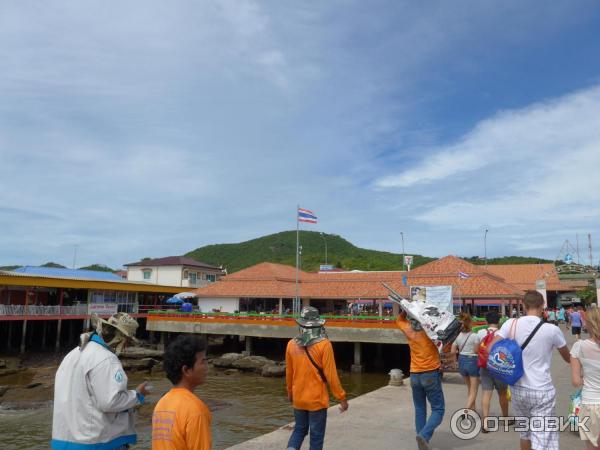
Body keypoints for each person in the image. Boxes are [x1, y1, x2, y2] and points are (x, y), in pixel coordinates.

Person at [52, 313, 149, 450]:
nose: (126, 346)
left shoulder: (72, 355)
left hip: (64, 440)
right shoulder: (107, 359)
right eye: (127, 342)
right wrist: (137, 395)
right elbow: (110, 401)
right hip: (96, 442)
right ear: (121, 337)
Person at [491, 291, 570, 450]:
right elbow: (568, 357)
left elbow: (492, 346)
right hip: (541, 389)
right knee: (543, 437)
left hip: (517, 388)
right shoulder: (551, 329)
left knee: (525, 433)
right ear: (542, 306)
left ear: (524, 306)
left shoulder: (511, 324)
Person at [285, 306, 348, 450]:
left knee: (299, 430)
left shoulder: (291, 344)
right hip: (316, 401)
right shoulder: (324, 345)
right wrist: (342, 398)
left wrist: (290, 393)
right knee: (316, 437)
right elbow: (332, 376)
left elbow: (289, 374)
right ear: (318, 324)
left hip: (299, 398)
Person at [152, 334, 211, 450]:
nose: (207, 367)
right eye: (203, 361)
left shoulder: (161, 404)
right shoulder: (196, 410)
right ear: (186, 370)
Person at [397, 310, 444, 450]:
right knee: (438, 409)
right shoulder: (432, 332)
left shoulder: (407, 329)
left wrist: (407, 308)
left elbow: (399, 319)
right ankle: (424, 435)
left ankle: (421, 444)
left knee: (419, 409)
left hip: (415, 374)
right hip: (430, 373)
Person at [476, 311, 511, 432]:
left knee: (486, 393)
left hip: (485, 367)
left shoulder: (480, 333)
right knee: (502, 393)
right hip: (499, 368)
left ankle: (485, 423)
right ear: (499, 321)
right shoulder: (503, 334)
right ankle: (505, 419)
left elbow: (477, 349)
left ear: (486, 321)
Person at [571, 307, 600, 450]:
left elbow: (576, 382)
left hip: (590, 403)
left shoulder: (579, 346)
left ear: (587, 323)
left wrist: (587, 378)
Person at [452, 313, 480, 411]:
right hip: (472, 361)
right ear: (470, 323)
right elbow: (476, 351)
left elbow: (452, 351)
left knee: (469, 389)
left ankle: (473, 410)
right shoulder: (475, 336)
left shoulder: (457, 336)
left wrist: (455, 362)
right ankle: (466, 410)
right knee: (474, 390)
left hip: (462, 361)